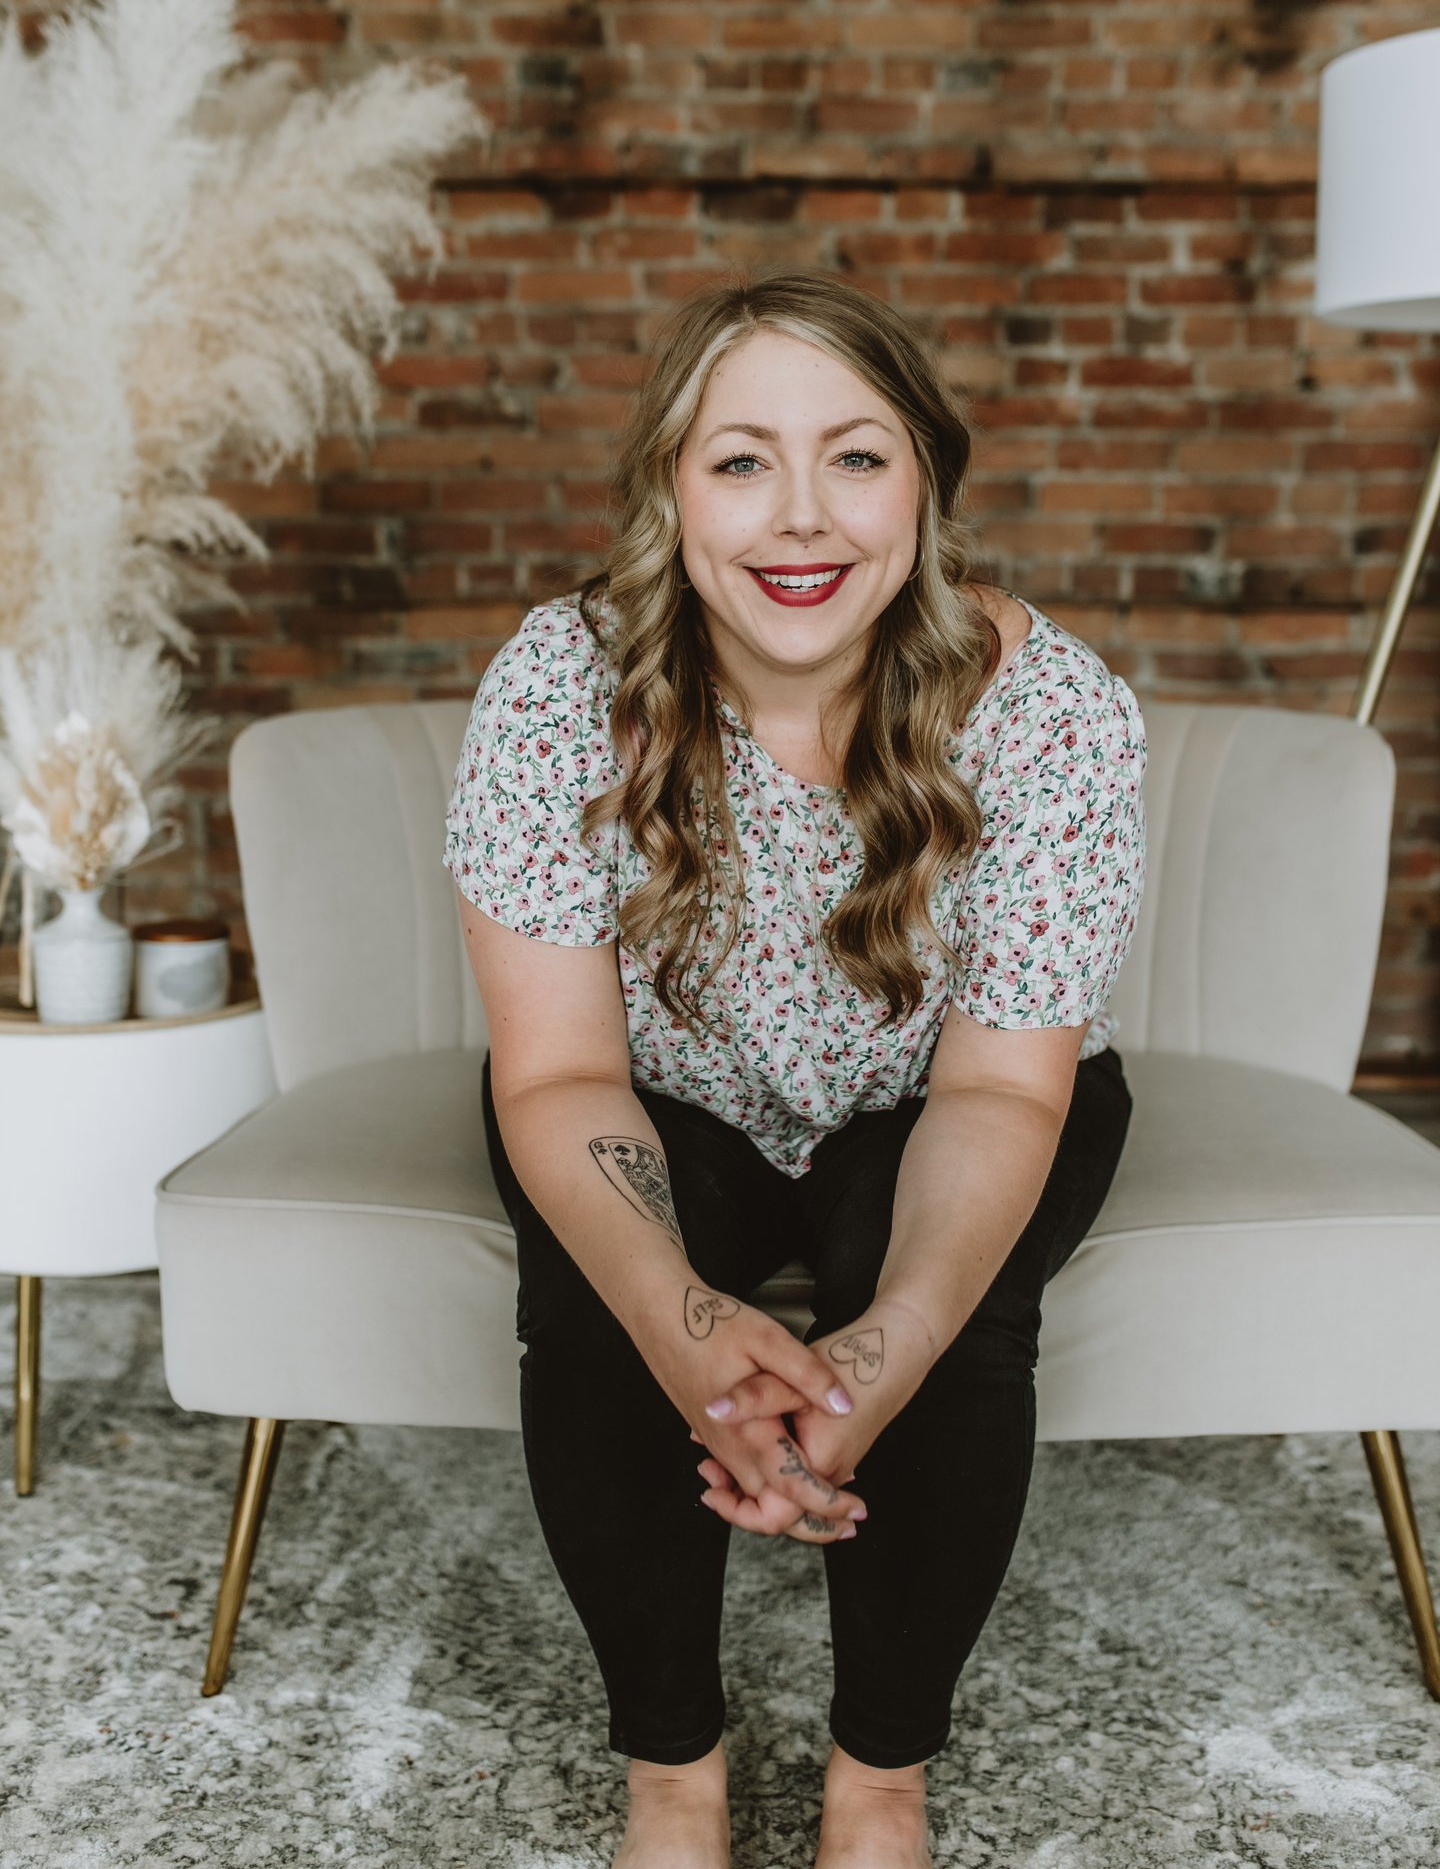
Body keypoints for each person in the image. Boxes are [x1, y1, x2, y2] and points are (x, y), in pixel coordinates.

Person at [443, 270, 1147, 1869]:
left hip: (954, 1092)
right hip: (661, 1092)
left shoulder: (1050, 714)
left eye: (857, 454)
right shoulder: (561, 691)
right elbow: (558, 1082)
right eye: (742, 458)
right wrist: (683, 1323)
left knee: (950, 1316)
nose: (800, 516)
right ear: (673, 494)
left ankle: (878, 1783)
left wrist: (878, 1352)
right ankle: (673, 1773)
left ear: (926, 483)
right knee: (593, 1292)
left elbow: (1001, 1094)